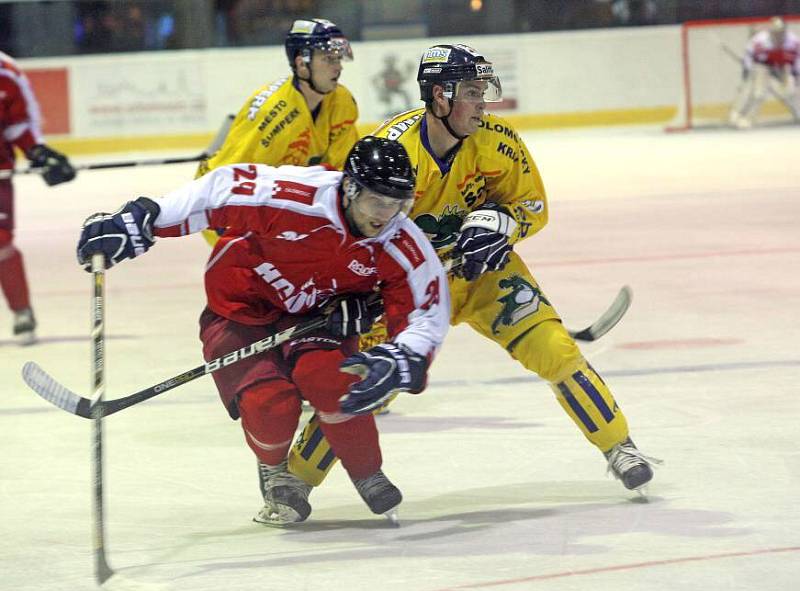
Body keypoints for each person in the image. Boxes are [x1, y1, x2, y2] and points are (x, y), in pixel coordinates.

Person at [288, 43, 660, 494]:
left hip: (484, 275)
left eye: (482, 89)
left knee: (556, 350)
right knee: (368, 378)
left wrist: (505, 222)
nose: (482, 101)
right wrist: (353, 289)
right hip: (409, 290)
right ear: (440, 96)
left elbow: (533, 205)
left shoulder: (496, 141)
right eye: (471, 91)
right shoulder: (394, 151)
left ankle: (619, 445)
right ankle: (294, 482)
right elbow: (355, 228)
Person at [75, 136, 450, 525]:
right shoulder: (298, 196)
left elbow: (427, 305)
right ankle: (273, 467)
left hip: (317, 313)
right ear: (351, 188)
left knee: (338, 383)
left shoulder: (397, 237)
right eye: (378, 201)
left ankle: (367, 469)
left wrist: (407, 353)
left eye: (398, 204)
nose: (387, 215)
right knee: (269, 404)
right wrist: (145, 219)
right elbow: (222, 189)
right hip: (243, 302)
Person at [197, 17, 360, 247]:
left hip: (282, 199)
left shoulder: (341, 101)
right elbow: (228, 183)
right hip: (222, 206)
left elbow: (341, 172)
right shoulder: (272, 115)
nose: (338, 66)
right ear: (302, 64)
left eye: (338, 59)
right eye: (328, 59)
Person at [0, 51, 75, 344]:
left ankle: (21, 311)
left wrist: (38, 152)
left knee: (0, 241)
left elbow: (20, 124)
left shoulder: (5, 70)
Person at [729, 16, 800, 129]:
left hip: (782, 66)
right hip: (762, 66)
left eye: (780, 32)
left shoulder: (794, 42)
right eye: (775, 32)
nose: (778, 35)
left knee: (791, 90)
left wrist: (795, 76)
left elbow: (796, 61)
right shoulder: (759, 40)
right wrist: (746, 71)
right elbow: (748, 55)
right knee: (758, 93)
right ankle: (741, 117)